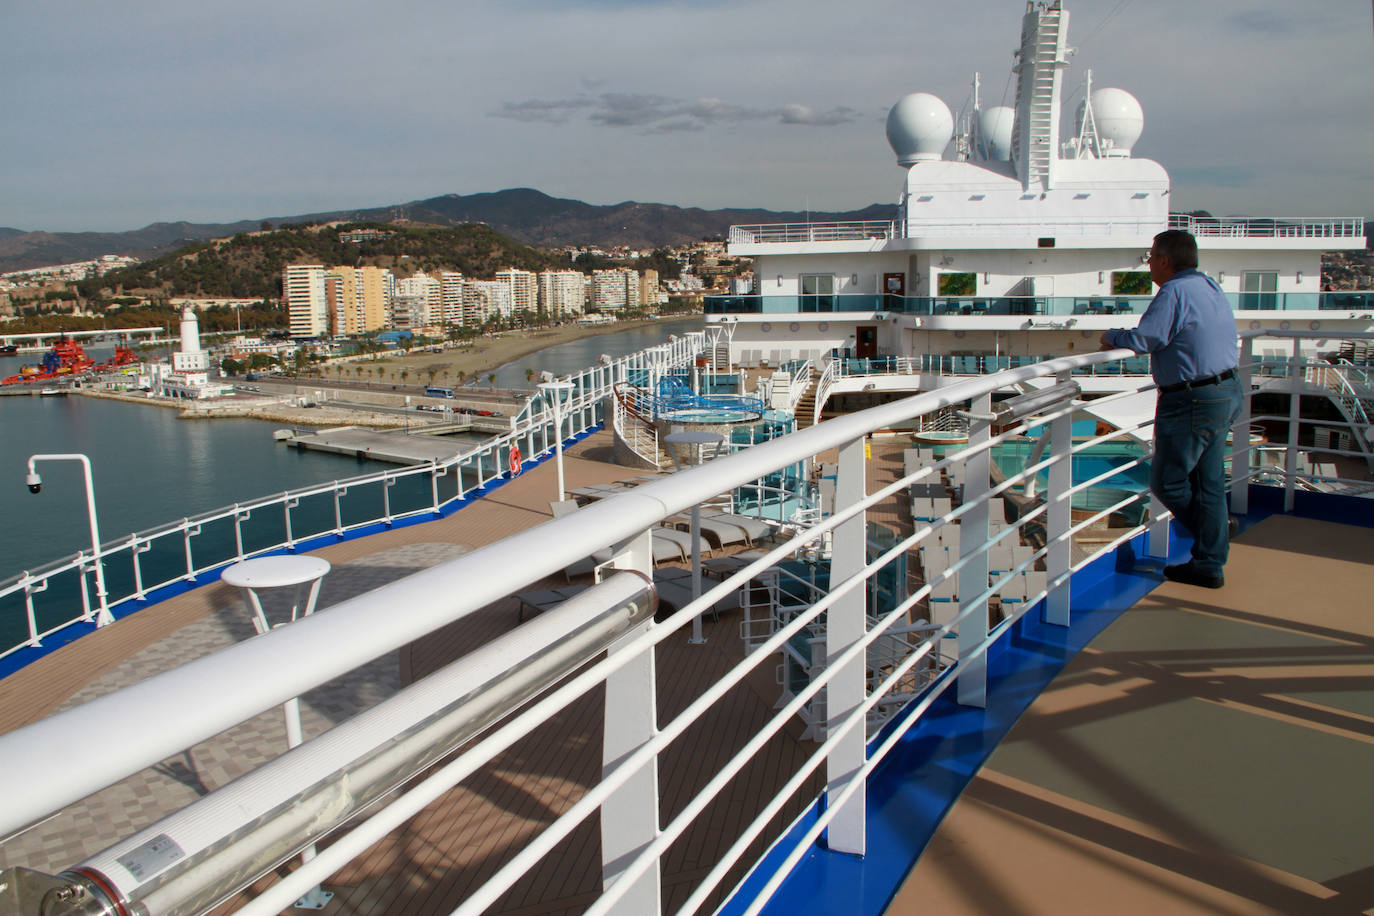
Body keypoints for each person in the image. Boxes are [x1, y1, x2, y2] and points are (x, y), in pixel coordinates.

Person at [1100, 229, 1242, 588]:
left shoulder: (1174, 291)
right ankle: (1210, 559)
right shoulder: (1208, 286)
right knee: (1207, 482)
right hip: (1225, 390)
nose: (1148, 263)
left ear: (1164, 260)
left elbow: (1148, 339)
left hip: (1191, 400)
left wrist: (1112, 336)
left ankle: (1215, 539)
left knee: (1167, 481)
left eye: (1150, 256)